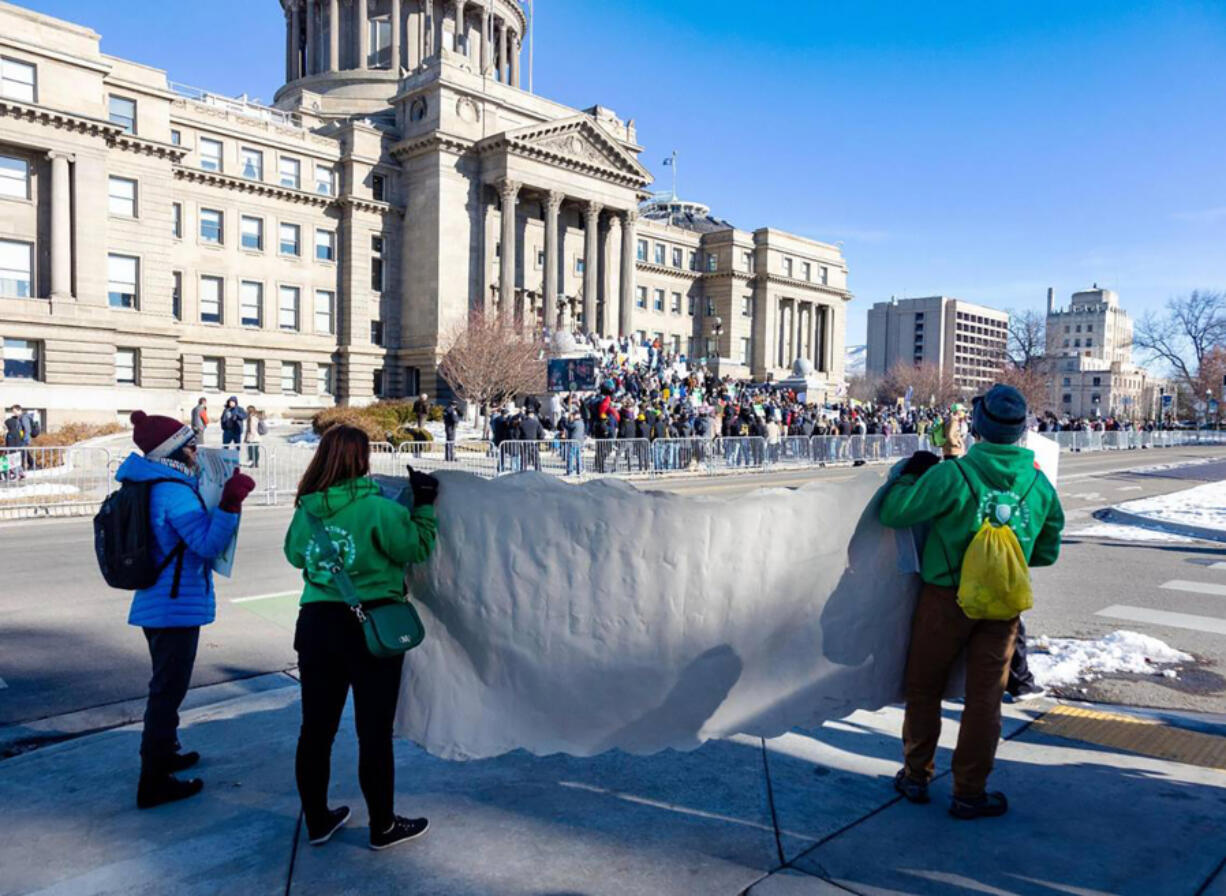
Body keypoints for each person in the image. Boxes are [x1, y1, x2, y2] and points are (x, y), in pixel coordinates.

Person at [878, 384, 1064, 820]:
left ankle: (917, 774)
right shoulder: (1039, 485)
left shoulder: (952, 475)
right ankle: (970, 791)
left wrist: (910, 475)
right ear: (1021, 432)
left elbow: (894, 513)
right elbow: (1048, 552)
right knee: (986, 700)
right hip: (1002, 606)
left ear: (977, 427)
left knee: (925, 687)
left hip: (946, 600)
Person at [284, 425, 439, 850]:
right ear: (363, 459)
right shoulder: (379, 510)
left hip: (316, 625)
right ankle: (383, 825)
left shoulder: (308, 510)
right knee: (372, 731)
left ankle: (317, 820)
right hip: (372, 627)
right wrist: (424, 506)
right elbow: (415, 549)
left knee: (315, 730)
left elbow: (295, 554)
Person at [117, 410, 256, 809]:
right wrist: (230, 503)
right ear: (174, 452)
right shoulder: (173, 492)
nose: (196, 452)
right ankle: (154, 781)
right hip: (173, 606)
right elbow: (207, 545)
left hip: (158, 602)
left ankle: (167, 752)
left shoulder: (153, 483)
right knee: (166, 692)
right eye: (190, 446)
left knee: (167, 686)